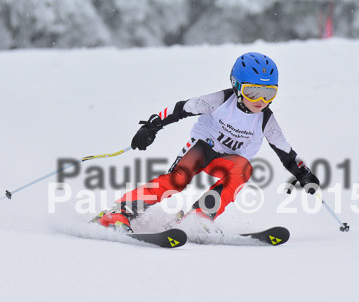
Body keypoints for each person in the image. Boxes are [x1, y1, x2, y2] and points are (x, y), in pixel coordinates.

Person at [92, 52, 320, 232]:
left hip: (227, 162)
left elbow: (286, 152)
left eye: (268, 94)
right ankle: (118, 212)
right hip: (202, 149)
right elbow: (181, 108)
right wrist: (151, 126)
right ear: (237, 86)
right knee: (177, 181)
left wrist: (304, 174)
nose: (260, 101)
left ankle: (198, 217)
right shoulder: (220, 101)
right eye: (253, 92)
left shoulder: (266, 120)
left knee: (243, 170)